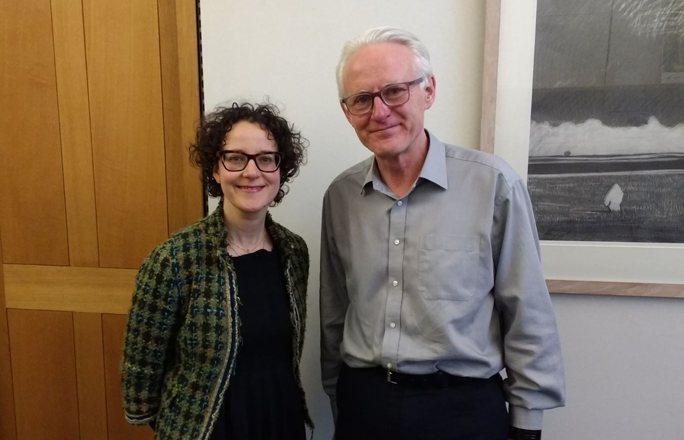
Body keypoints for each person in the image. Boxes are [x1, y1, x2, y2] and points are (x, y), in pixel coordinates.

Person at [320, 27, 565, 440]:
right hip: (366, 406)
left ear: (428, 91)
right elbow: (334, 312)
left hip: (464, 409)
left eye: (394, 91)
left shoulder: (493, 185)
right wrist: (337, 395)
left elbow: (527, 311)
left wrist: (527, 421)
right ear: (347, 111)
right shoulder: (341, 197)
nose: (379, 111)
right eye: (361, 99)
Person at [121, 102, 312, 440]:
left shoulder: (293, 252)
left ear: (281, 170)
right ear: (215, 168)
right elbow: (142, 371)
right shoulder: (175, 260)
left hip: (280, 419)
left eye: (266, 158)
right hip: (208, 428)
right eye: (236, 158)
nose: (252, 172)